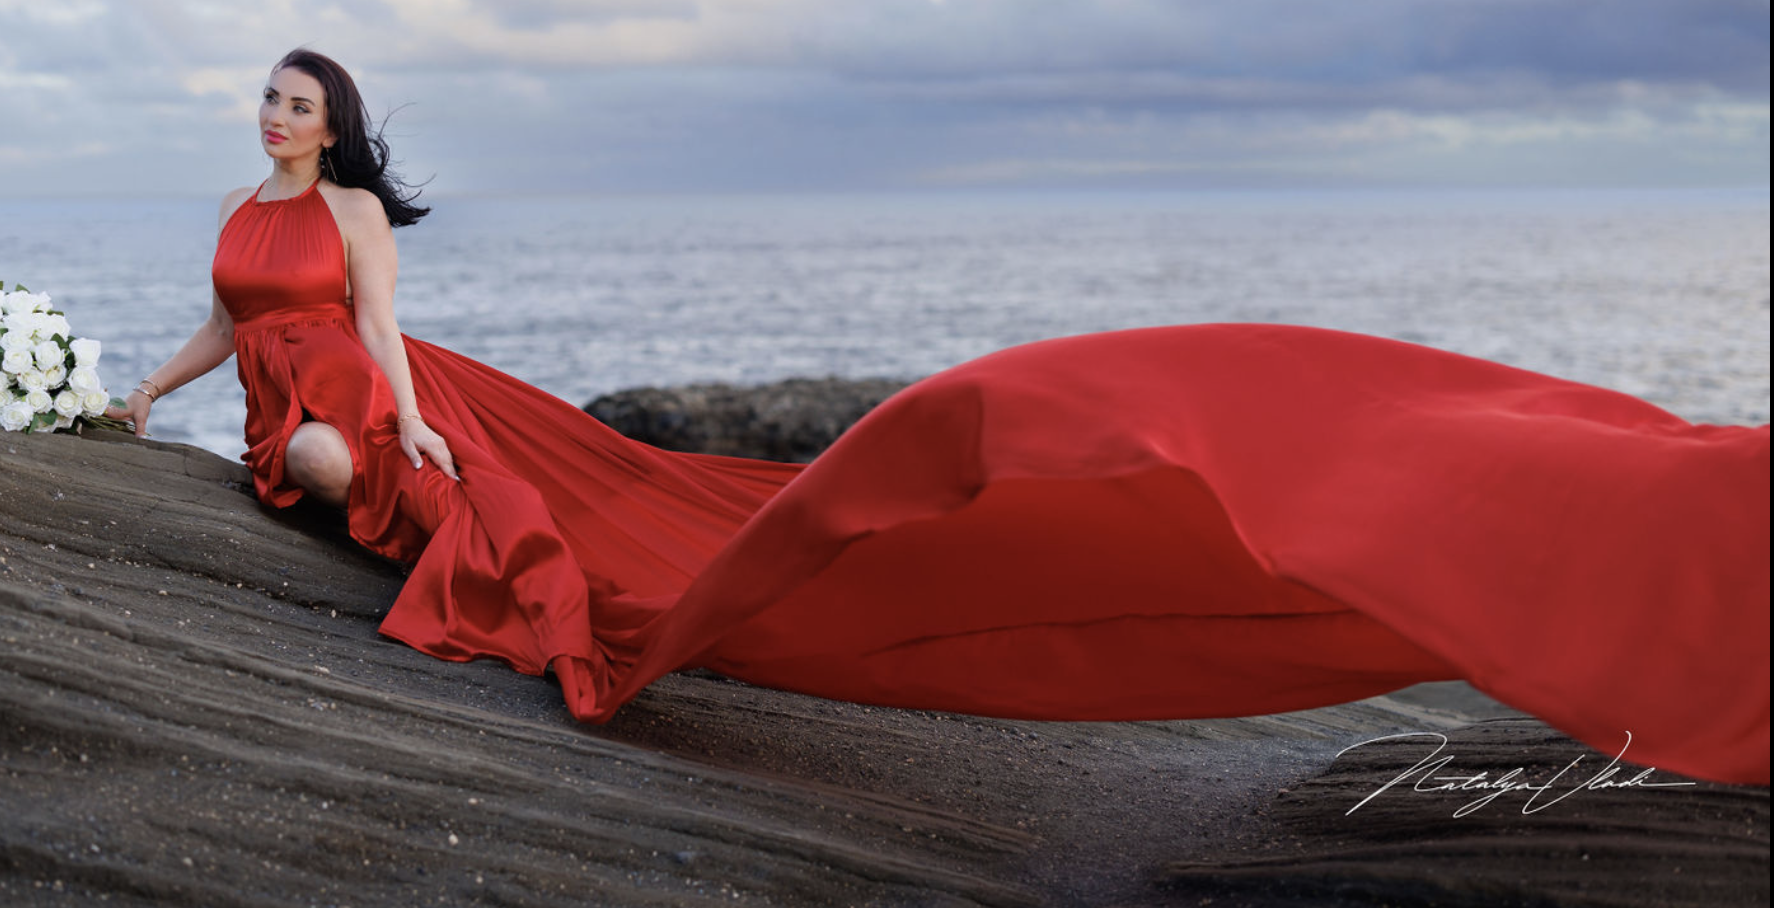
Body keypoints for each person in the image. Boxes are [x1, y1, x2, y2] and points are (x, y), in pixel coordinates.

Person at [111, 48, 1770, 788]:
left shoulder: (349, 222)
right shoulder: (243, 213)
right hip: (260, 396)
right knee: (307, 462)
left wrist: (430, 433)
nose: (277, 115)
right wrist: (126, 399)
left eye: (302, 101)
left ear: (336, 132)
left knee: (357, 472)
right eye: (270, 96)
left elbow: (382, 336)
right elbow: (218, 321)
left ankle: (399, 495)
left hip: (363, 403)